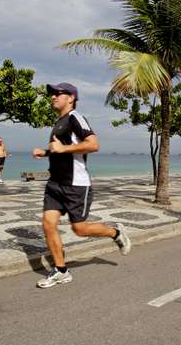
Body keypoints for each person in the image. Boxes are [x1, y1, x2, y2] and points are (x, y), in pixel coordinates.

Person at [31, 82, 131, 288]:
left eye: (58, 93)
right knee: (48, 224)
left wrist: (60, 148)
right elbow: (64, 149)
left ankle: (116, 233)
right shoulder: (59, 122)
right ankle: (61, 271)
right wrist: (47, 152)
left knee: (80, 229)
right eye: (52, 94)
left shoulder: (76, 118)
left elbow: (93, 144)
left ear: (71, 98)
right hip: (55, 185)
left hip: (76, 186)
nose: (53, 97)